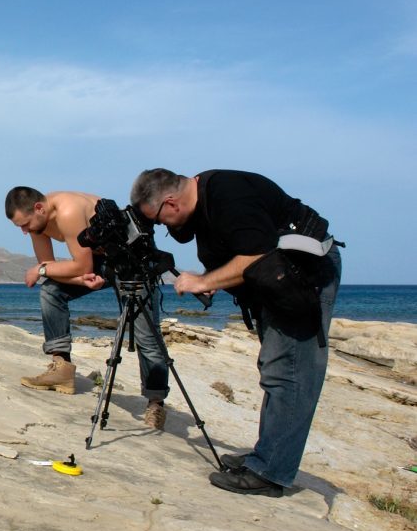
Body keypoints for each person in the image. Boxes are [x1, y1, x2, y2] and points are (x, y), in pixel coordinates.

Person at [130, 169, 341, 497]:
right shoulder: (206, 200)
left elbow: (259, 252)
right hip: (280, 281)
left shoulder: (228, 194)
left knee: (290, 374)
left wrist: (204, 281)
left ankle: (270, 473)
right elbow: (243, 250)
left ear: (170, 202)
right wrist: (213, 277)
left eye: (159, 220)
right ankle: (267, 456)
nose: (165, 228)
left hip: (305, 279)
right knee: (275, 369)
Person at [4, 186, 171, 429]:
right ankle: (61, 368)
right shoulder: (38, 224)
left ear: (39, 208)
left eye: (25, 224)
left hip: (132, 257)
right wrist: (80, 280)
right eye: (20, 226)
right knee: (51, 290)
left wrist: (43, 271)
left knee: (147, 335)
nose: (24, 230)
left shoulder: (68, 211)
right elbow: (54, 267)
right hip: (99, 260)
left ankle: (156, 403)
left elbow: (67, 267)